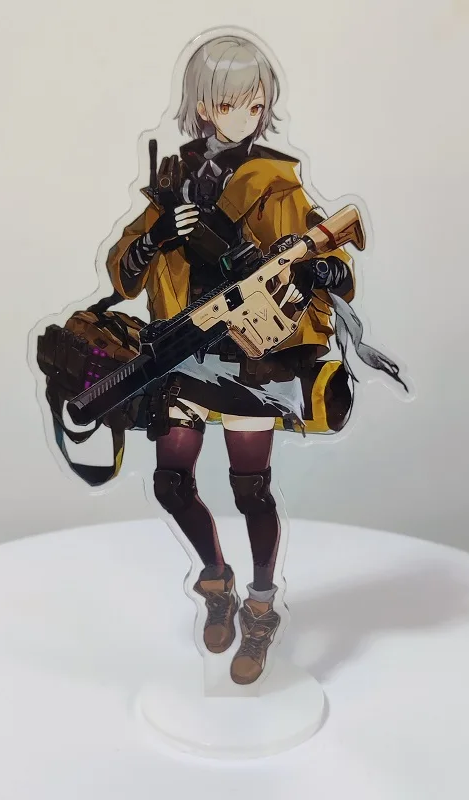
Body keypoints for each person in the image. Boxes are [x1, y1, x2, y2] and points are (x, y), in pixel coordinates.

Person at [106, 35, 369, 685]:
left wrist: (321, 270)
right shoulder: (174, 178)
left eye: (256, 105)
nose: (246, 116)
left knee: (250, 490)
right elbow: (124, 272)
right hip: (183, 348)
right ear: (204, 106)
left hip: (252, 357)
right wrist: (159, 234)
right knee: (171, 483)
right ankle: (215, 580)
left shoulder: (276, 182)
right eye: (231, 103)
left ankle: (260, 606)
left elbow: (332, 263)